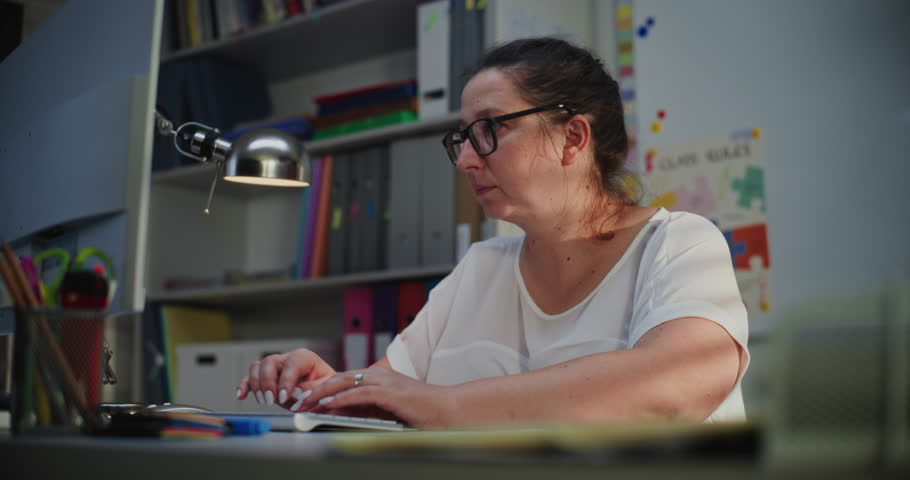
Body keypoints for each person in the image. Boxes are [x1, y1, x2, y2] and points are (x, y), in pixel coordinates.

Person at [235, 37, 749, 428]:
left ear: (573, 137)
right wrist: (330, 389)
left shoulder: (678, 243)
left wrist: (448, 404)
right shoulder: (482, 267)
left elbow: (677, 383)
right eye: (460, 137)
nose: (463, 159)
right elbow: (390, 398)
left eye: (489, 129)